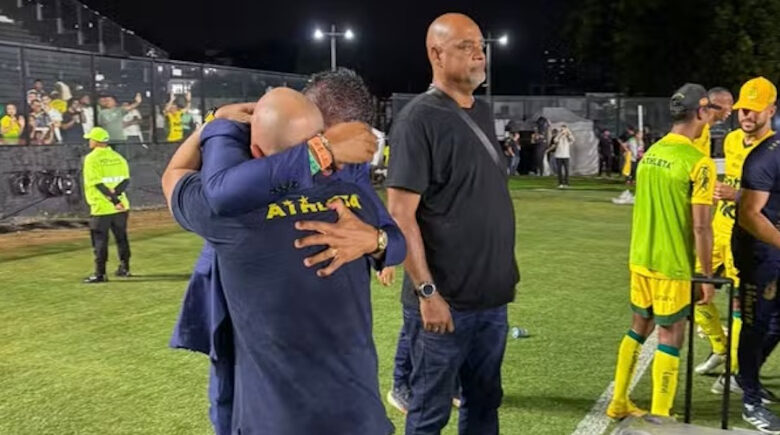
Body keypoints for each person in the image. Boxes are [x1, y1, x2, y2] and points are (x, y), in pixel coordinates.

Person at [168, 68, 406, 435]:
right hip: (359, 417)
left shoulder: (228, 215)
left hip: (274, 416)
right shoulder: (347, 198)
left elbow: (179, 175)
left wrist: (215, 125)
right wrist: (377, 241)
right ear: (319, 136)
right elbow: (398, 241)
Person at [386, 13, 519, 434]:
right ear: (436, 54)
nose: (478, 52)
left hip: (491, 299)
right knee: (428, 414)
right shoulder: (418, 119)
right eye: (465, 45)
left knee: (483, 405)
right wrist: (427, 293)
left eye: (480, 44)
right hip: (445, 303)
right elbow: (401, 215)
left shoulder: (482, 111)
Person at [606, 83, 717, 419]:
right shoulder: (699, 163)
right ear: (700, 112)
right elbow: (700, 226)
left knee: (638, 327)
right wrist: (707, 277)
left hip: (641, 258)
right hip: (672, 265)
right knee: (671, 334)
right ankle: (661, 416)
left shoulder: (650, 154)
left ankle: (618, 401)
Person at [692, 84, 750, 388]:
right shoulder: (728, 140)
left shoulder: (772, 146)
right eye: (735, 108)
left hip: (745, 234)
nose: (736, 113)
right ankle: (720, 348)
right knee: (696, 293)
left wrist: (736, 194)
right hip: (718, 228)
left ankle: (736, 372)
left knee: (741, 303)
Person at [730, 77, 780, 433]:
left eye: (753, 107)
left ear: (772, 110)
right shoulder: (762, 158)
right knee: (755, 324)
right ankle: (750, 401)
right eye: (742, 108)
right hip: (758, 254)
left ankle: (745, 376)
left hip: (774, 248)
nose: (746, 114)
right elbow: (749, 215)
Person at [82, 127, 131, 283]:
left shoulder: (91, 159)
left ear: (96, 141)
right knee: (121, 237)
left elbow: (98, 184)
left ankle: (100, 273)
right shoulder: (118, 157)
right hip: (122, 206)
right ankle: (125, 268)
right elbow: (125, 181)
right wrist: (117, 198)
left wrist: (113, 201)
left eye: (90, 139)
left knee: (100, 240)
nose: (89, 141)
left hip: (102, 207)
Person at [692, 87, 735, 157]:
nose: (731, 108)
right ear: (714, 103)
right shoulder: (699, 130)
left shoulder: (705, 129)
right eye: (728, 103)